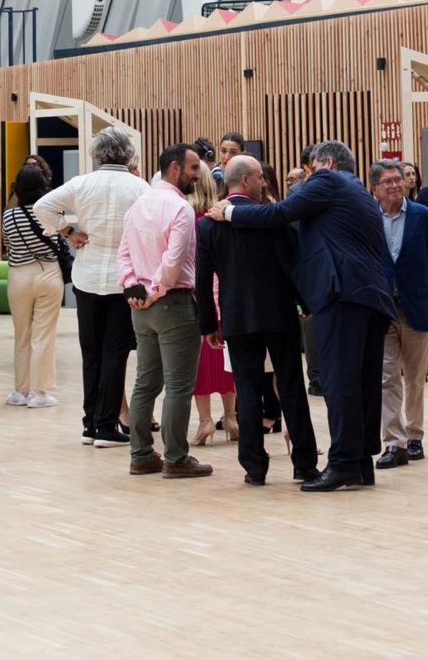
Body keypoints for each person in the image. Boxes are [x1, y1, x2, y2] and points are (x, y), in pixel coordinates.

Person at [211, 138, 396, 492]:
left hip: (341, 296)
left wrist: (230, 212)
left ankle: (342, 463)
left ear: (325, 163)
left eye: (308, 169)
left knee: (340, 382)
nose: (306, 178)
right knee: (363, 383)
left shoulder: (327, 181)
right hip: (370, 298)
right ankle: (360, 462)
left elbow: (279, 213)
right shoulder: (359, 193)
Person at [197, 154, 318, 485]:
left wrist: (208, 323)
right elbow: (291, 265)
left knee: (247, 391)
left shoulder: (209, 224)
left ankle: (254, 467)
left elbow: (203, 279)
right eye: (260, 178)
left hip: (237, 318)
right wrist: (304, 301)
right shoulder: (271, 218)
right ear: (246, 181)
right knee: (291, 387)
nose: (265, 182)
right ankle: (304, 463)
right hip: (279, 313)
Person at [34, 126, 149, 448]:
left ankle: (90, 424)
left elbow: (42, 206)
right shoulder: (139, 187)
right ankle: (106, 424)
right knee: (116, 351)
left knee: (91, 351)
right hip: (122, 277)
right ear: (128, 153)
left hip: (86, 274)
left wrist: (67, 230)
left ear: (97, 153)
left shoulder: (81, 183)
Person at [119, 145, 212, 478]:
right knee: (177, 387)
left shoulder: (138, 206)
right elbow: (172, 263)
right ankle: (175, 459)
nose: (197, 175)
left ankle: (141, 454)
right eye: (192, 168)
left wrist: (136, 291)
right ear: (174, 168)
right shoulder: (180, 208)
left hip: (141, 308)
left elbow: (124, 255)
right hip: (172, 304)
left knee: (145, 384)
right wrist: (155, 291)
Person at [372, 159, 428, 469]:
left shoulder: (423, 217)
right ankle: (393, 442)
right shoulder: (368, 218)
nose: (394, 185)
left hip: (416, 305)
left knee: (414, 377)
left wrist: (424, 291)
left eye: (398, 179)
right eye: (387, 181)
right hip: (383, 309)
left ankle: (415, 436)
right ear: (375, 187)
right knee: (387, 377)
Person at [1, 158, 69, 408]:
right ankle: (39, 393)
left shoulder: (9, 216)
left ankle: (20, 390)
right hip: (48, 273)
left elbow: (7, 245)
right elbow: (62, 236)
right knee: (43, 335)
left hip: (18, 274)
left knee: (22, 334)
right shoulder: (48, 213)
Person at [186, 152, 238, 447]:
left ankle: (205, 421)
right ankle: (230, 416)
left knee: (201, 362)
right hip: (227, 295)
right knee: (229, 360)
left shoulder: (186, 215)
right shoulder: (223, 214)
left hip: (199, 296)